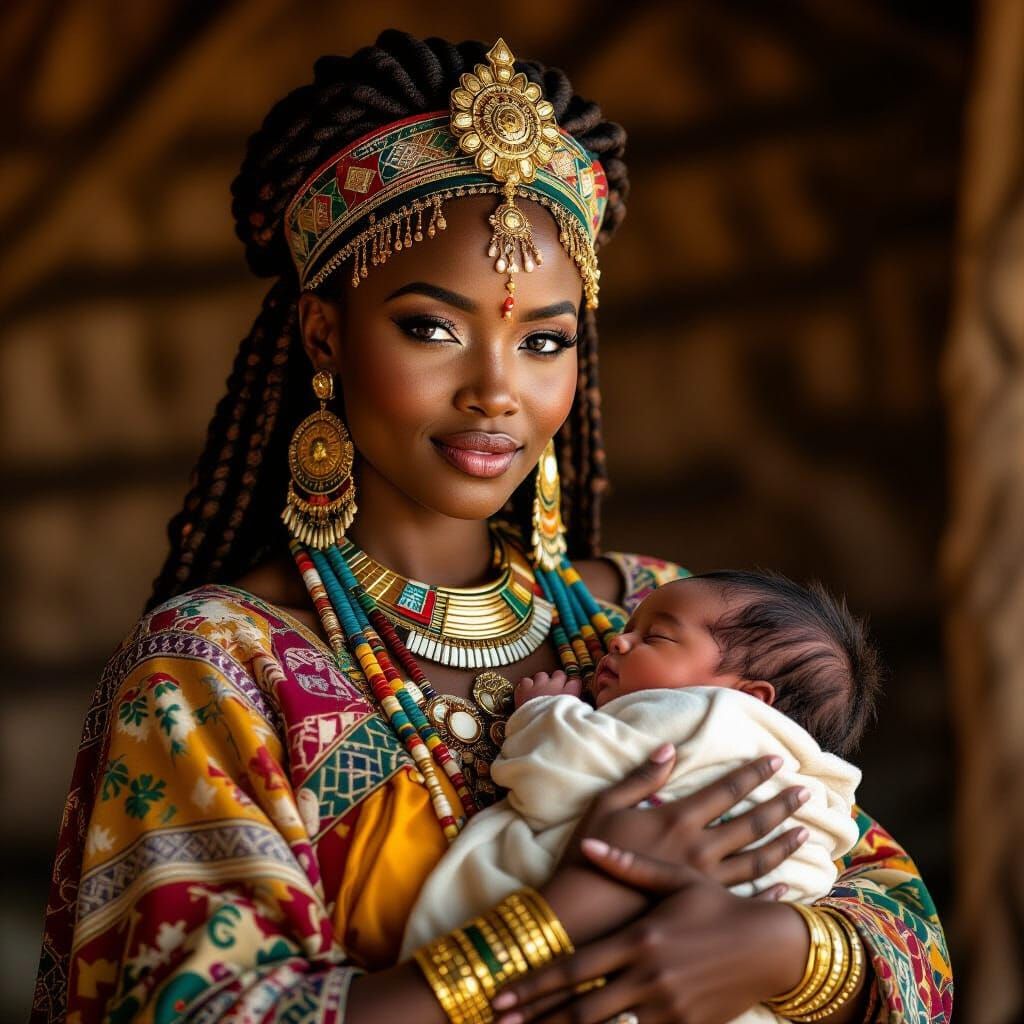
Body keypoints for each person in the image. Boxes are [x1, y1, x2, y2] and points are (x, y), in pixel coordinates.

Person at [30, 30, 952, 1024]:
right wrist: (565, 912)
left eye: (543, 340)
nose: (497, 391)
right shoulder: (217, 670)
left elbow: (900, 922)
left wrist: (775, 950)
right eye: (432, 327)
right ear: (325, 335)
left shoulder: (653, 614)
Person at [399, 571, 876, 976]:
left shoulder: (708, 718)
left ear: (750, 698)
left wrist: (546, 710)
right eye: (631, 626)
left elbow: (558, 771)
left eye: (656, 637)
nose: (618, 640)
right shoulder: (814, 782)